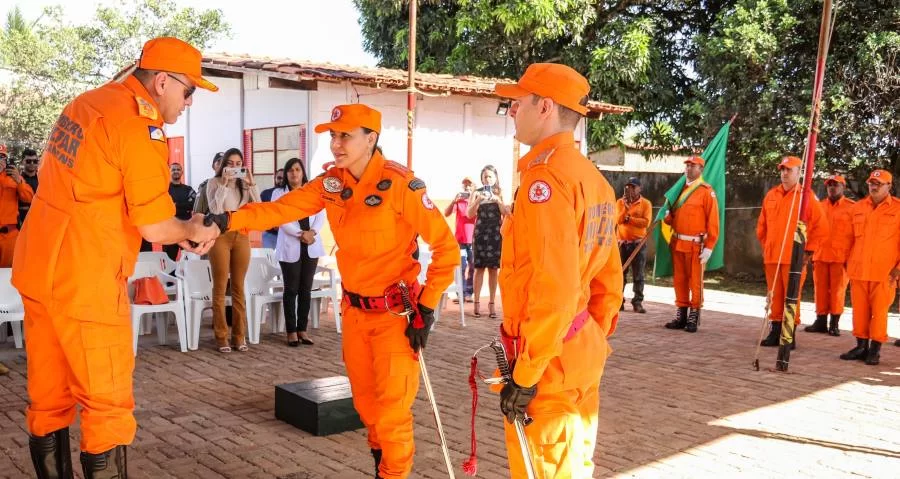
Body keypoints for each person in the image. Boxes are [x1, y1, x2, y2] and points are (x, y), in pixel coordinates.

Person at [204, 103, 457, 479]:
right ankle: (380, 468)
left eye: (345, 136)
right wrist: (228, 218)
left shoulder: (401, 184)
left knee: (391, 414)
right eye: (333, 136)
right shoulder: (331, 184)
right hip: (354, 314)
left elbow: (447, 249)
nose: (336, 144)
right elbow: (280, 210)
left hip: (395, 316)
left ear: (371, 138)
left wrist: (429, 305)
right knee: (368, 408)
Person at [11, 37, 220, 479]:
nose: (188, 103)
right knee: (107, 409)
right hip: (86, 279)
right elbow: (155, 227)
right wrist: (191, 230)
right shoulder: (138, 126)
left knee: (47, 402)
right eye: (188, 91)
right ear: (162, 82)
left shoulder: (86, 103)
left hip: (38, 270)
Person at [493, 63, 623, 478]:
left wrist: (527, 372)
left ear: (544, 106)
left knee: (546, 467)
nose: (512, 111)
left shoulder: (544, 181)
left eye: (517, 102)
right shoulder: (592, 178)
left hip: (548, 359)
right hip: (578, 345)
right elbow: (609, 278)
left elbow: (556, 287)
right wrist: (590, 333)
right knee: (574, 463)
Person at [756, 155, 829, 347]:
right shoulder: (771, 195)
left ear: (799, 172)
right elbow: (762, 227)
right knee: (774, 295)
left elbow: (821, 227)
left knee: (791, 297)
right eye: (782, 170)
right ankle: (775, 331)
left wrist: (808, 252)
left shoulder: (806, 197)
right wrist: (768, 246)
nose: (784, 173)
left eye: (789, 170)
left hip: (794, 259)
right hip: (773, 257)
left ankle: (789, 335)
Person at [837, 169, 900, 365]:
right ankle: (861, 346)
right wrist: (845, 262)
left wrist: (898, 269)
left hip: (885, 273)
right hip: (858, 269)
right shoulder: (858, 208)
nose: (873, 186)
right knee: (860, 311)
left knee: (879, 312)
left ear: (889, 186)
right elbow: (848, 239)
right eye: (871, 183)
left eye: (878, 184)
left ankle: (875, 349)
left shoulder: (898, 209)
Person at [206, 147, 260, 353]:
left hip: (242, 234)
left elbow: (258, 206)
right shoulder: (213, 183)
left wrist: (251, 184)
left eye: (239, 164)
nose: (235, 168)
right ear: (223, 165)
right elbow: (216, 210)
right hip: (220, 235)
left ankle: (239, 336)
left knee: (238, 287)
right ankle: (221, 337)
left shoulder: (244, 185)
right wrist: (225, 184)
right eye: (231, 164)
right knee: (220, 288)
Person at [663, 156, 720, 333]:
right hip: (678, 242)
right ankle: (681, 312)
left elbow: (713, 222)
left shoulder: (706, 191)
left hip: (696, 245)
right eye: (687, 165)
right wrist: (667, 217)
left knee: (695, 281)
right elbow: (673, 218)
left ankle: (694, 314)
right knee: (679, 280)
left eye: (693, 166)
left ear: (700, 169)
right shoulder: (678, 190)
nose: (689, 168)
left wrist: (710, 247)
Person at [273, 158, 323, 347]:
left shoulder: (312, 192)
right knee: (291, 289)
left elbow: (321, 214)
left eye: (297, 169)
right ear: (285, 174)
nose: (294, 173)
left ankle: (303, 329)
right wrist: (301, 234)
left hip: (311, 244)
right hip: (291, 243)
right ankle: (291, 331)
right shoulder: (279, 194)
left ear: (303, 172)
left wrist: (312, 233)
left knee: (305, 289)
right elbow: (281, 218)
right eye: (290, 170)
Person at [806, 174, 854, 336]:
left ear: (844, 187)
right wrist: (810, 252)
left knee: (837, 291)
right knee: (819, 289)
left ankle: (834, 323)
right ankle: (820, 320)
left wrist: (852, 258)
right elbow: (811, 230)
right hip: (820, 255)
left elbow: (856, 235)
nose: (832, 187)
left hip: (841, 258)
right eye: (830, 185)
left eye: (836, 185)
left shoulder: (853, 208)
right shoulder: (819, 206)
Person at [467, 165, 507, 318]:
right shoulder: (476, 193)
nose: (488, 179)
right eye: (485, 177)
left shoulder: (500, 192)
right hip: (480, 233)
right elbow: (469, 214)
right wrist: (477, 200)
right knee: (479, 268)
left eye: (490, 176)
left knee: (493, 270)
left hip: (495, 234)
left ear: (495, 178)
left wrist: (498, 201)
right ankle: (476, 304)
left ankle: (491, 305)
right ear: (482, 178)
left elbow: (505, 213)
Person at [616, 176, 652, 313]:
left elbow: (645, 222)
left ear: (640, 188)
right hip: (622, 243)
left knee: (639, 275)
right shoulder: (620, 202)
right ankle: (619, 301)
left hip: (638, 244)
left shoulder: (646, 204)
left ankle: (637, 302)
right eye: (628, 186)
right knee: (620, 274)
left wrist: (629, 219)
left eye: (633, 187)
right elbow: (618, 220)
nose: (630, 189)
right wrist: (625, 210)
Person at [443, 176, 476, 303]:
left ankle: (469, 293)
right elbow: (446, 213)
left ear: (473, 187)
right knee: (461, 266)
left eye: (469, 184)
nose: (467, 187)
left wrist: (474, 198)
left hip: (473, 240)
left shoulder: (476, 201)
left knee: (473, 266)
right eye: (465, 185)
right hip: (460, 240)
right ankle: (460, 294)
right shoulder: (459, 201)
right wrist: (454, 201)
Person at [0, 151, 34, 267]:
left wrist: (19, 181)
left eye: (2, 157)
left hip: (10, 236)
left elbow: (29, 198)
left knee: (8, 274)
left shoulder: (14, 177)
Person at [165, 162, 197, 261]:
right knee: (169, 262)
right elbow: (163, 207)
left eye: (178, 169)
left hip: (186, 230)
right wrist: (184, 205)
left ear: (182, 172)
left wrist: (176, 205)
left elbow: (194, 204)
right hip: (169, 231)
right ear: (169, 172)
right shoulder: (164, 190)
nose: (176, 171)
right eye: (173, 169)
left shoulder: (188, 189)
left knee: (188, 261)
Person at [260, 168, 285, 249]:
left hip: (289, 236)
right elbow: (260, 213)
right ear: (274, 178)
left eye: (284, 178)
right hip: (270, 235)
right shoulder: (266, 194)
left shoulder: (293, 194)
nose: (281, 180)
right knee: (270, 261)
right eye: (279, 178)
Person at [18, 148, 40, 226]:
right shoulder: (16, 180)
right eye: (28, 161)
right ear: (22, 162)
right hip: (21, 222)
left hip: (39, 220)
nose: (32, 163)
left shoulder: (43, 180)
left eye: (35, 161)